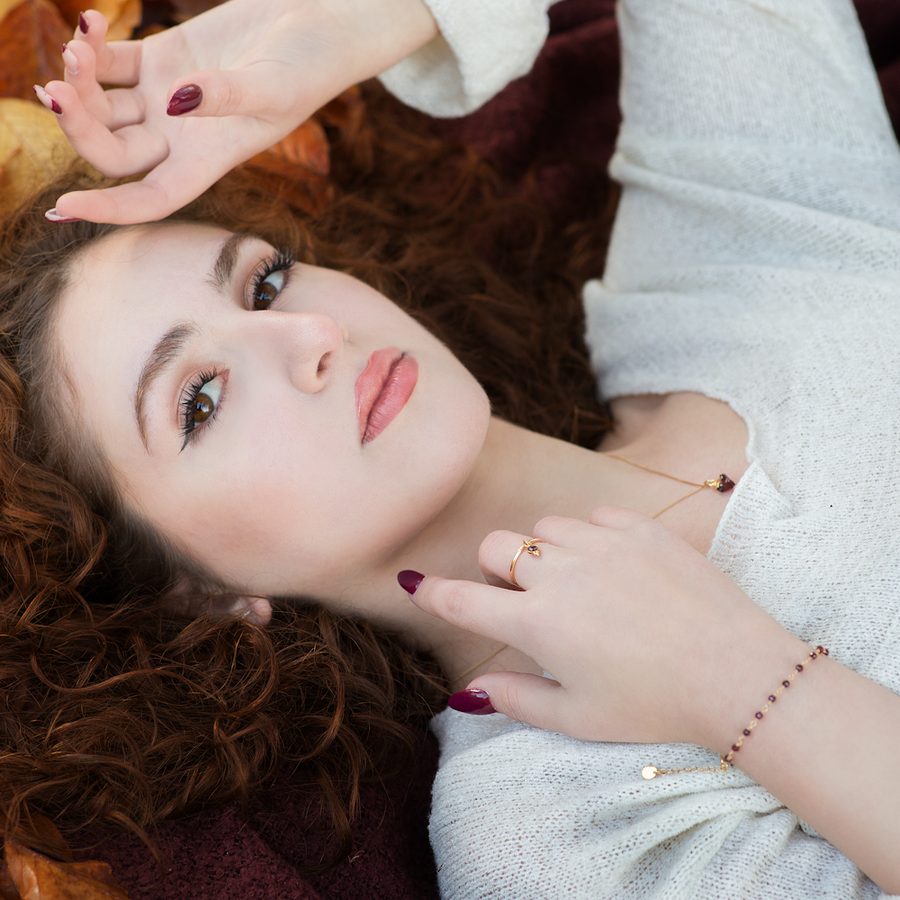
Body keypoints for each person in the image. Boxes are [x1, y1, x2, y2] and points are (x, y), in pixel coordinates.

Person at [19, 0, 900, 896]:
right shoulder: (546, 835)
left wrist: (360, 24)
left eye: (265, 282)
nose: (313, 333)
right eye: (200, 399)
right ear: (196, 593)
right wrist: (748, 689)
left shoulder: (729, 279)